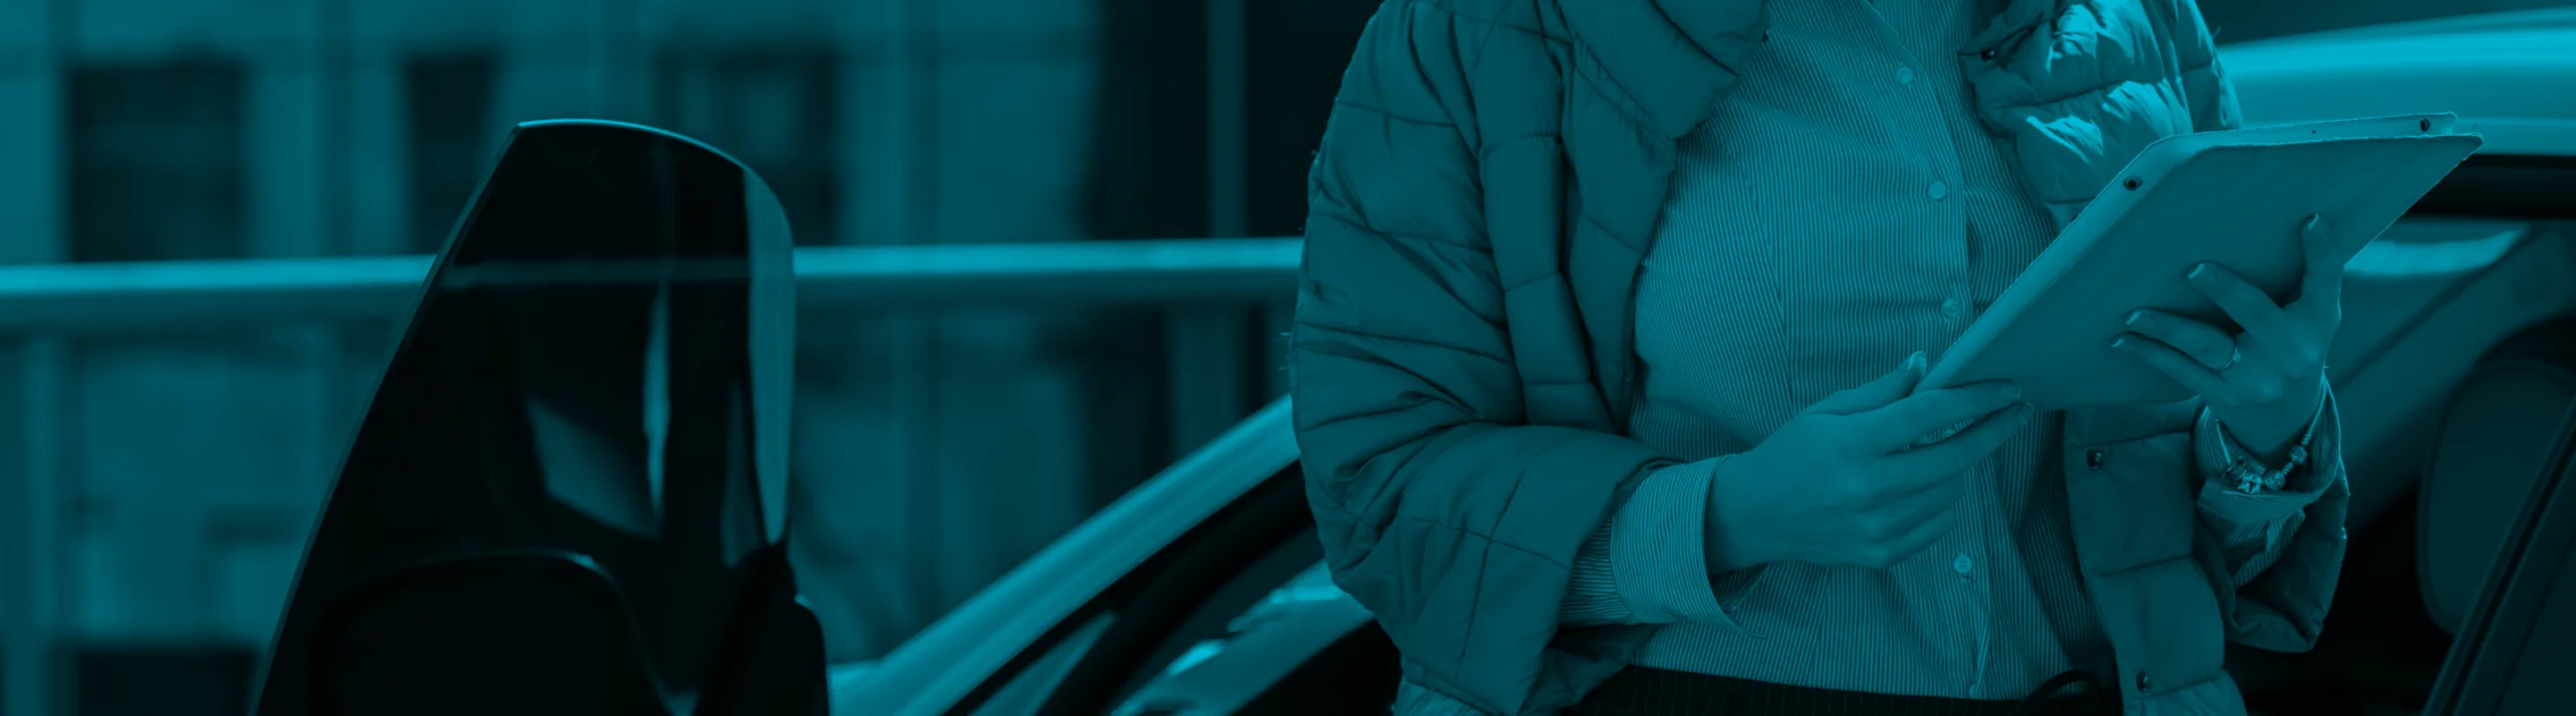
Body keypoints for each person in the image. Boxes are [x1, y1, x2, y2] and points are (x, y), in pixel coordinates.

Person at [1287, 0, 2351, 714]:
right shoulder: (1483, 33)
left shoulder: (2133, 19)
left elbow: (2203, 541)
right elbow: (1379, 488)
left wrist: (2267, 432)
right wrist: (1732, 513)